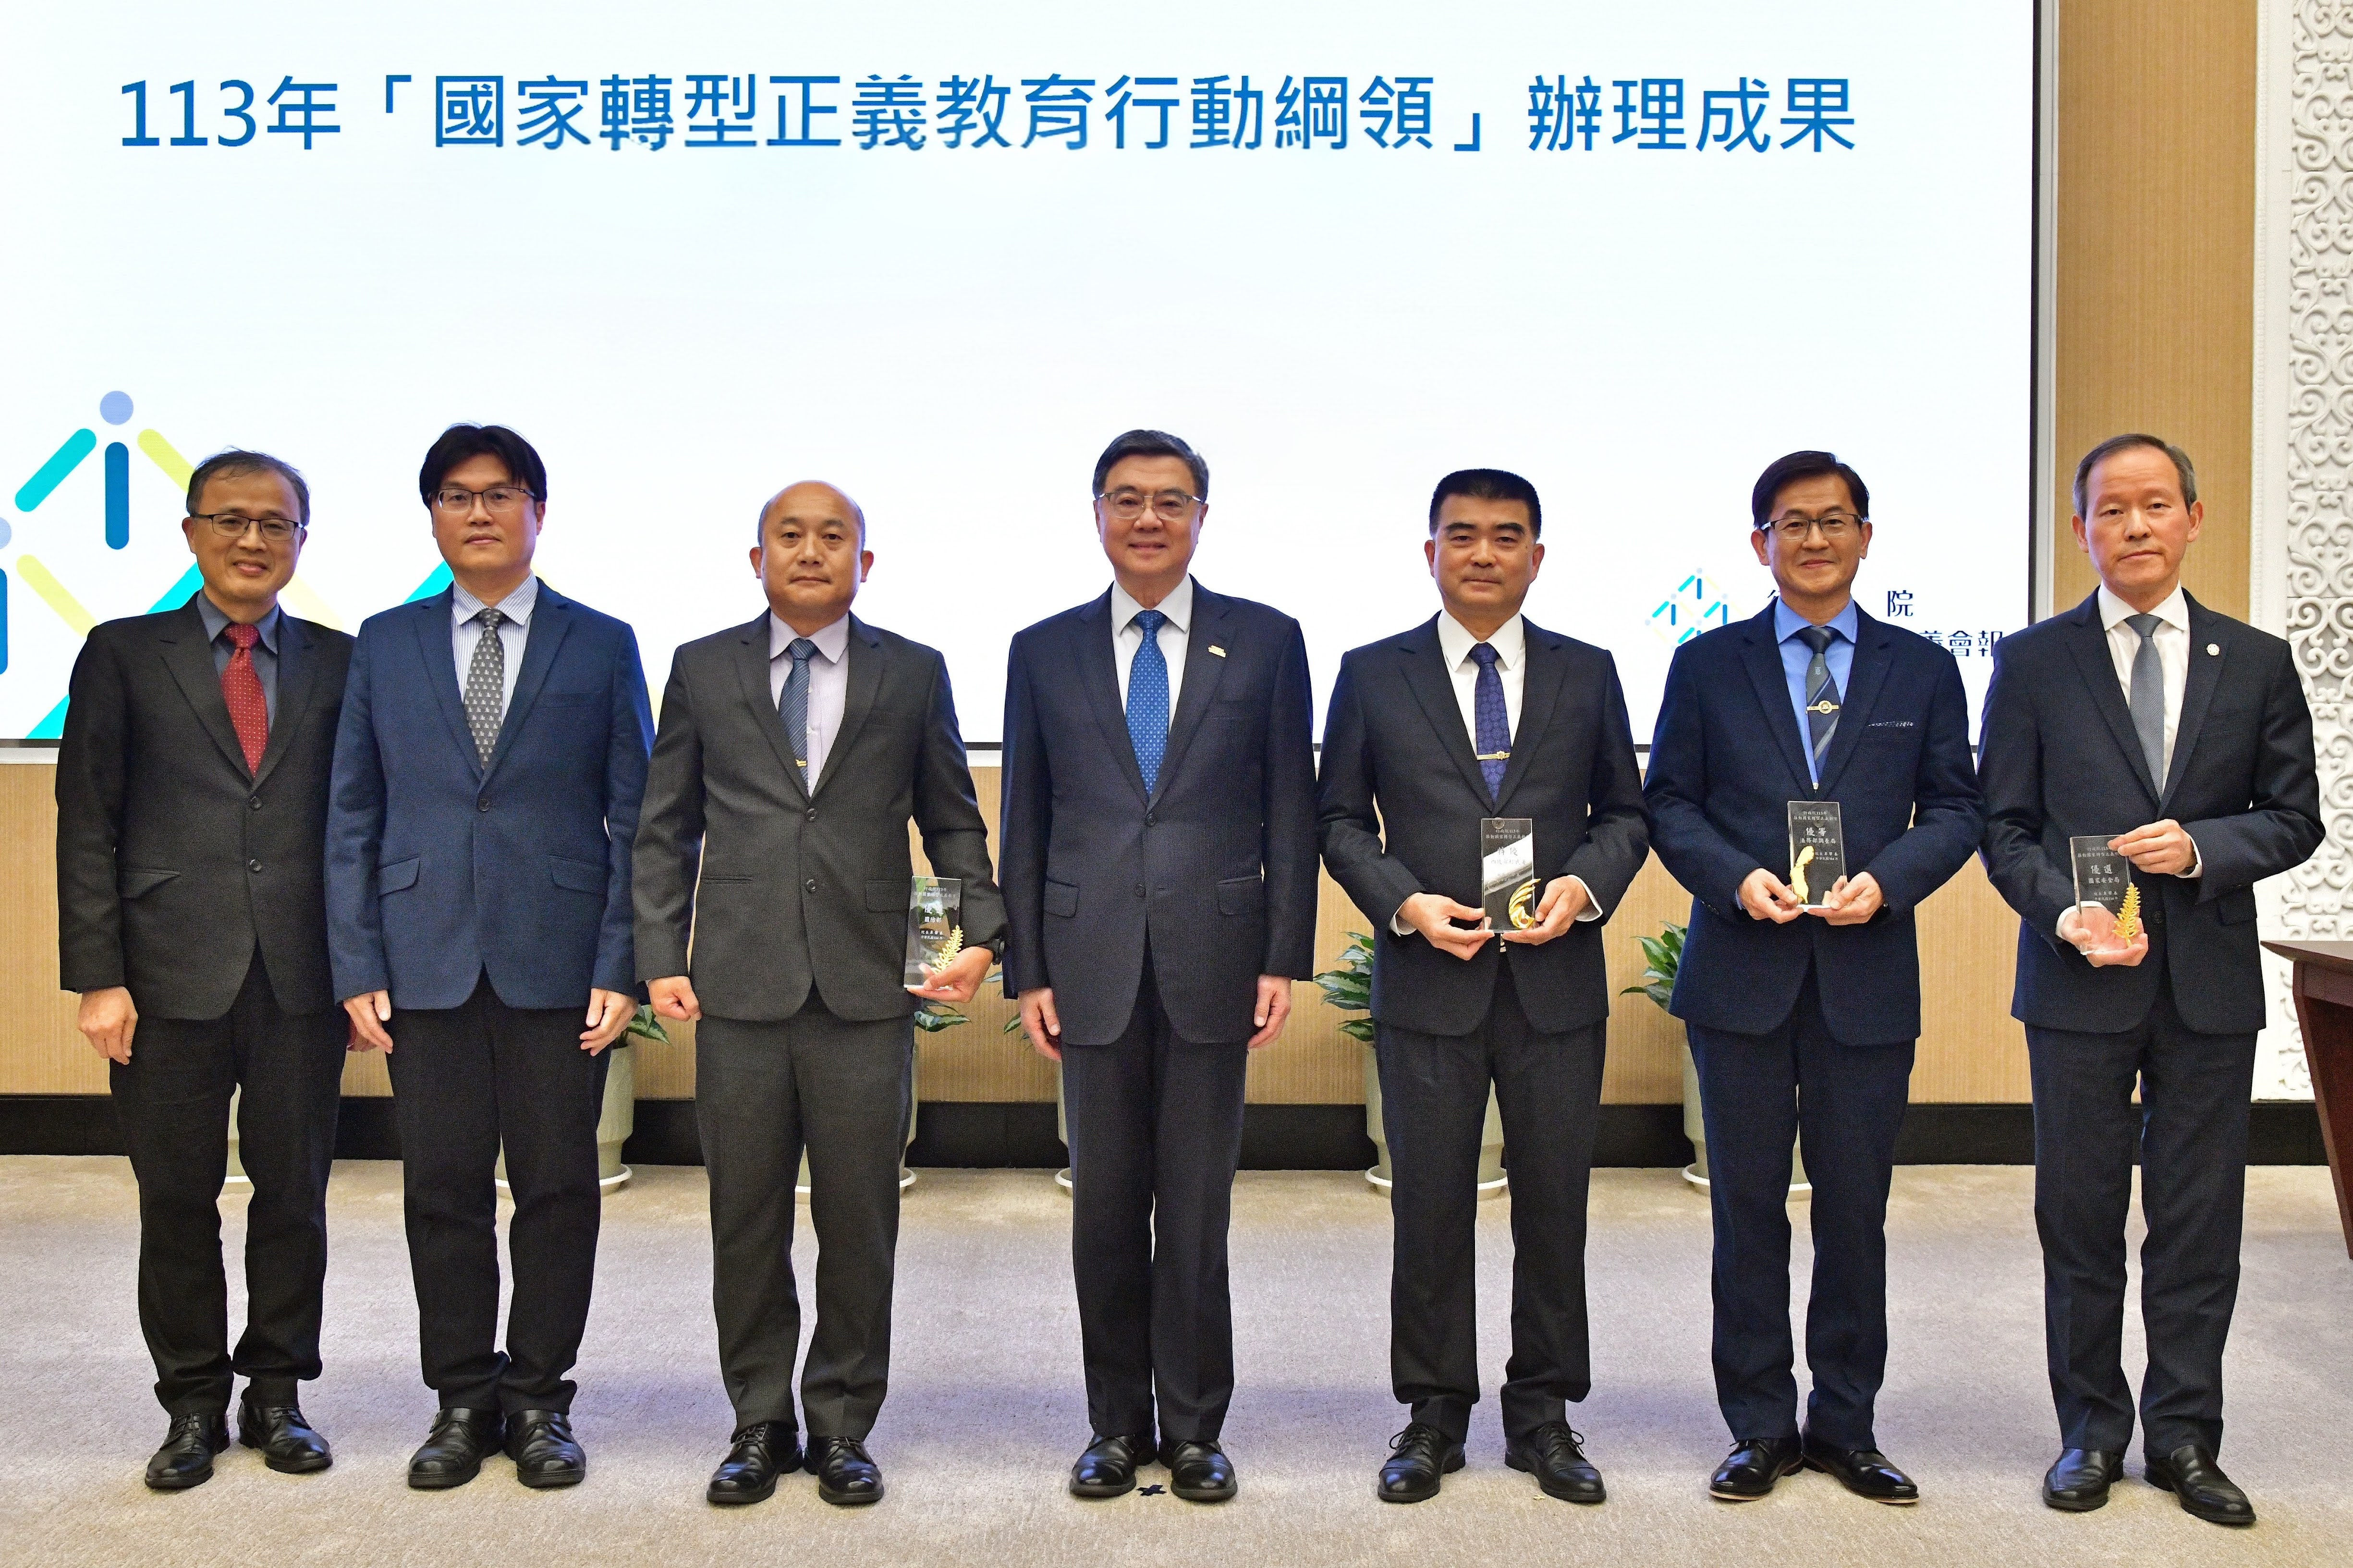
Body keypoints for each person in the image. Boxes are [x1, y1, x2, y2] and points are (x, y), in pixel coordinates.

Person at [635, 481, 1002, 1508]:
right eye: (788, 536)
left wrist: (971, 937)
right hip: (739, 985)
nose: (809, 551)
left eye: (832, 536)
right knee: (745, 1218)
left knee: (859, 1219)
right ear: (756, 559)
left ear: (864, 563)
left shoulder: (913, 671)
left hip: (866, 988)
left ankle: (841, 1423)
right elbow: (666, 826)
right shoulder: (702, 667)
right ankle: (758, 1420)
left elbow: (950, 819)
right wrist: (660, 953)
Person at [1979, 434, 2320, 1527]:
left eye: (2156, 505)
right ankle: (2089, 1429)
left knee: (2197, 1220)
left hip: (2207, 984)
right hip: (2076, 980)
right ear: (2079, 527)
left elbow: (2295, 818)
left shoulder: (2255, 661)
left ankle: (2183, 1437)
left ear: (2192, 518)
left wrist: (2204, 846)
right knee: (2077, 1216)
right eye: (2111, 509)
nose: (2134, 525)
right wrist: (2061, 910)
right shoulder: (2033, 662)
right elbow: (2004, 828)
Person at [1643, 451, 1981, 1506]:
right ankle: (1756, 1424)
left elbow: (1957, 810)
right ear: (1761, 544)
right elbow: (1669, 804)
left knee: (1854, 1212)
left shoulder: (1921, 668)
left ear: (1865, 536)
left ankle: (1845, 1424)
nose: (1815, 539)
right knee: (1746, 1211)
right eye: (1792, 523)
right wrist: (1734, 877)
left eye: (1834, 521)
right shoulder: (1706, 663)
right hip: (1740, 976)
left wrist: (1889, 881)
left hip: (1864, 979)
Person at [325, 424, 652, 1490]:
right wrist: (355, 962)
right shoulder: (385, 642)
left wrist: (621, 961)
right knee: (443, 1190)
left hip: (560, 962)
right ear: (433, 514)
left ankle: (541, 1398)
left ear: (537, 512)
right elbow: (352, 813)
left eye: (501, 493)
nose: (479, 512)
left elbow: (636, 817)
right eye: (458, 495)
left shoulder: (601, 642)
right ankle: (462, 1399)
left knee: (559, 1187)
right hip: (421, 960)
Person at [999, 429, 1318, 1504]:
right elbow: (1025, 818)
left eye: (1170, 500)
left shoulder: (1265, 641)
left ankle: (1191, 1427)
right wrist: (1028, 968)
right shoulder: (1042, 649)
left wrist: (1282, 954)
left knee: (1193, 1209)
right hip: (1085, 961)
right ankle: (1112, 1424)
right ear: (1096, 512)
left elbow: (1289, 807)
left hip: (1216, 958)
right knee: (1102, 1208)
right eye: (1127, 498)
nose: (1148, 517)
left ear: (1200, 517)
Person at [1318, 468, 1647, 1505]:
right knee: (1428, 1205)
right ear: (1430, 553)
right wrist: (1403, 902)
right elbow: (1337, 823)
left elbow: (1624, 815)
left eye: (1507, 536)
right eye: (1461, 535)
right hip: (1429, 980)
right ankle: (1433, 1412)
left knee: (1554, 1207)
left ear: (1536, 557)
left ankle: (1543, 1412)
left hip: (1555, 985)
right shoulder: (1373, 673)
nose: (1483, 554)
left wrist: (1585, 889)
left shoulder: (1588, 672)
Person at [56, 450, 354, 1490]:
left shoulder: (341, 661)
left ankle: (277, 1392)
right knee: (176, 1199)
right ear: (191, 532)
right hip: (163, 975)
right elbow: (87, 820)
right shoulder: (122, 653)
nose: (251, 540)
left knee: (294, 1196)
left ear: (301, 541)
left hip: (301, 975)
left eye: (275, 523)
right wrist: (98, 975)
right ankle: (191, 1402)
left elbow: (359, 823)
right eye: (230, 519)